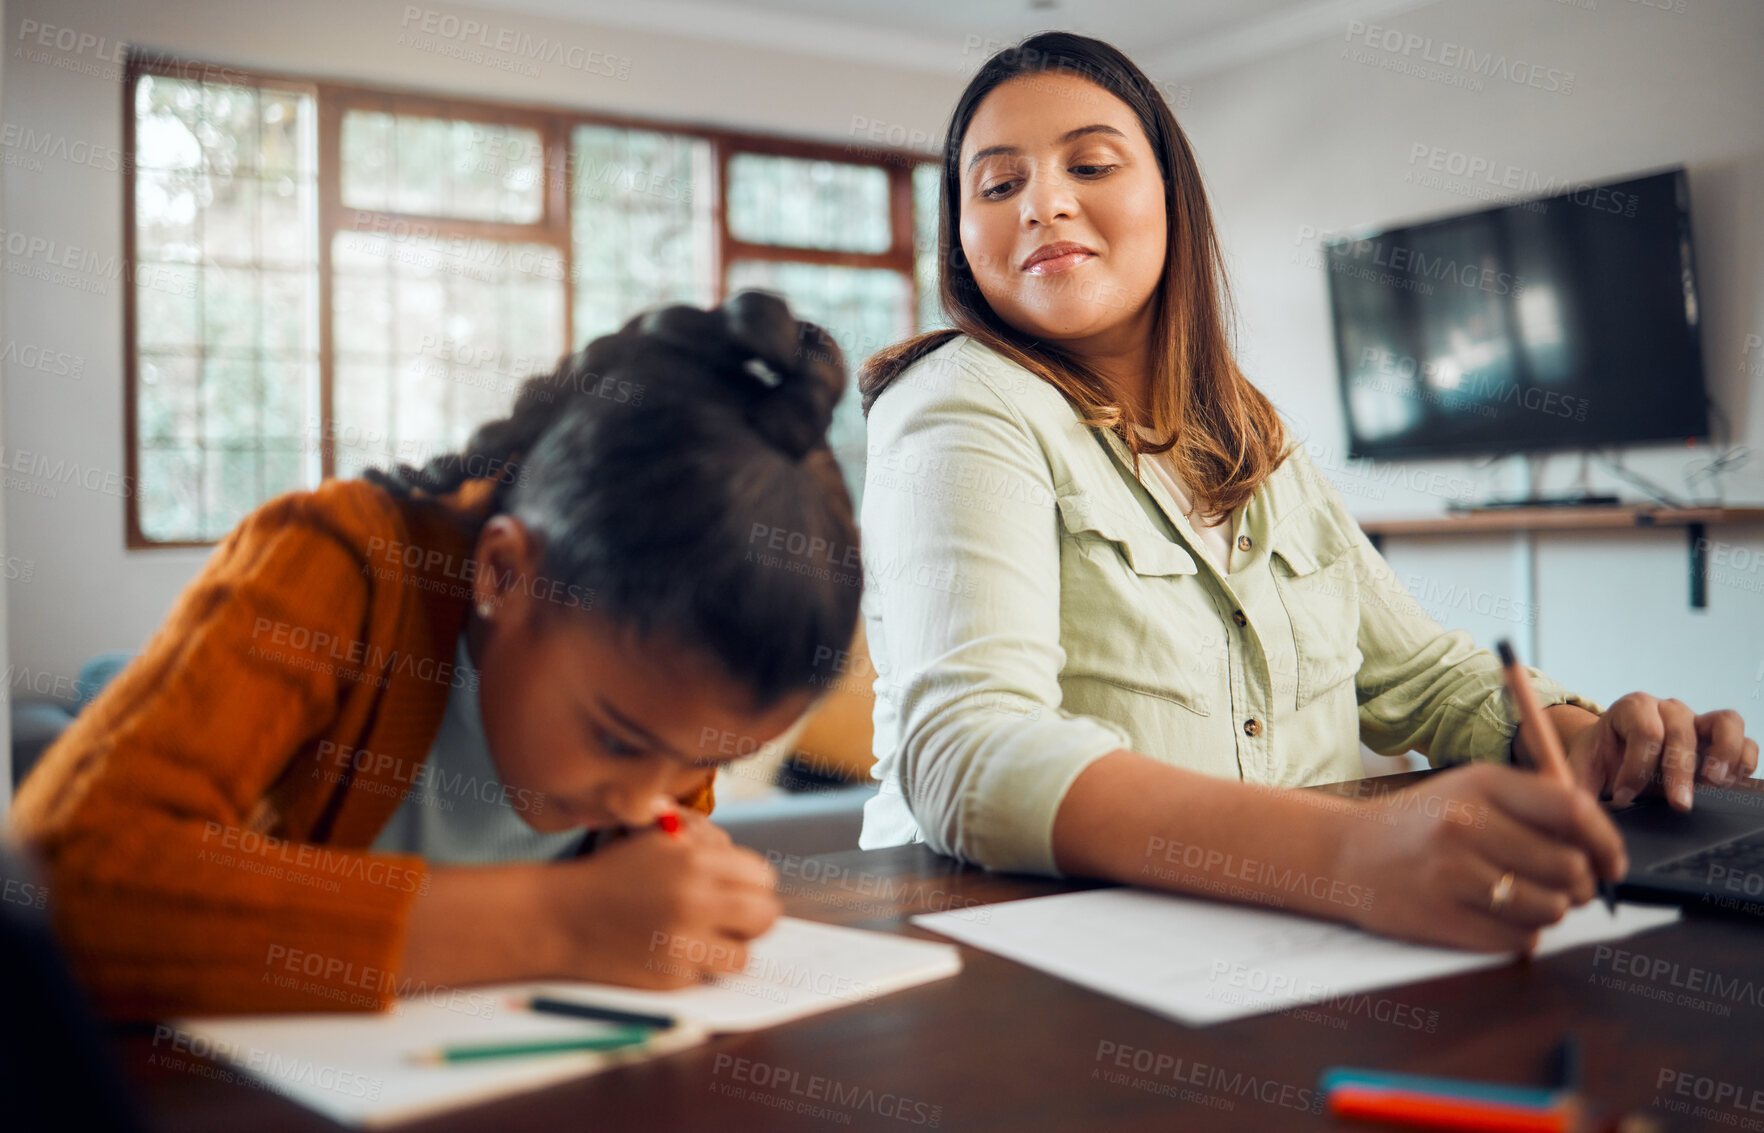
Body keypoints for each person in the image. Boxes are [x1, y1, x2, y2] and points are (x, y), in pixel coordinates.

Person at [857, 32, 1757, 953]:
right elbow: (968, 751)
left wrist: (1586, 742)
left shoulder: (1249, 432)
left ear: (1172, 195)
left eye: (1089, 164)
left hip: (1290, 946)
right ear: (963, 241)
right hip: (1046, 958)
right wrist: (1349, 854)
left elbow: (1421, 676)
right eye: (998, 185)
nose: (1043, 203)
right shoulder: (961, 400)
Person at [11, 292, 861, 1016]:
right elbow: (60, 882)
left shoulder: (659, 721)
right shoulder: (338, 564)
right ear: (503, 573)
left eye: (706, 761)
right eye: (616, 738)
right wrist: (556, 922)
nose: (649, 803)